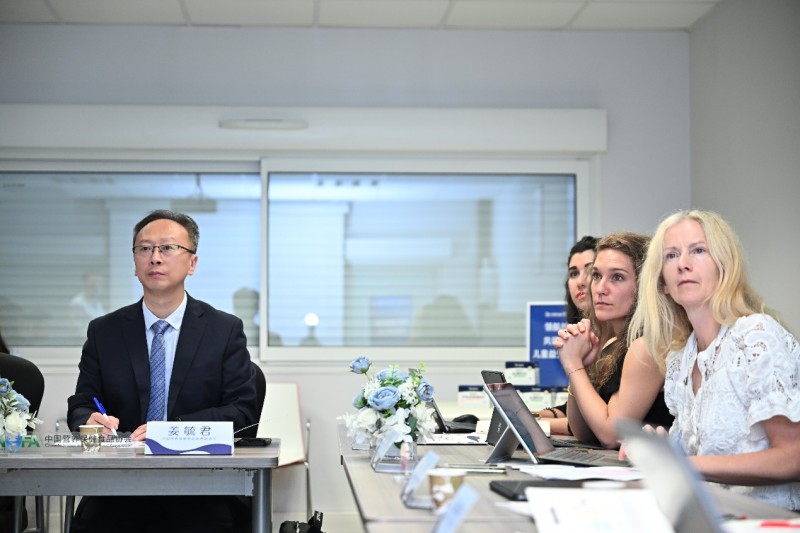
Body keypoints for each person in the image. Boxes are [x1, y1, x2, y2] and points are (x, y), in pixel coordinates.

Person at [67, 210, 258, 533]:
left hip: (201, 485)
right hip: (119, 485)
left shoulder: (223, 330)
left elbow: (242, 412)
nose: (155, 258)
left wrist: (170, 432)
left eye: (167, 248)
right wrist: (89, 419)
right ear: (135, 263)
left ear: (192, 263)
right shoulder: (104, 331)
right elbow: (82, 402)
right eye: (145, 249)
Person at [628, 209, 800, 509]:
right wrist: (659, 449)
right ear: (663, 283)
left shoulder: (756, 335)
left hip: (768, 519)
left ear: (725, 266)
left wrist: (683, 464)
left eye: (698, 250)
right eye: (671, 255)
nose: (683, 264)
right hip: (711, 514)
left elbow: (793, 457)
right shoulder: (682, 358)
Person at [554, 232, 672, 448]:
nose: (600, 289)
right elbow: (583, 432)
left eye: (617, 277)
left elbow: (611, 435)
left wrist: (573, 365)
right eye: (597, 276)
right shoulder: (612, 345)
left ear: (644, 285)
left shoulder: (647, 346)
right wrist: (582, 368)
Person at [535, 236, 597, 435]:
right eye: (573, 273)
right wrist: (531, 415)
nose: (581, 282)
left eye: (590, 271)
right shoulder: (585, 332)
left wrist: (530, 425)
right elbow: (577, 408)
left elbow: (595, 423)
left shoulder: (620, 340)